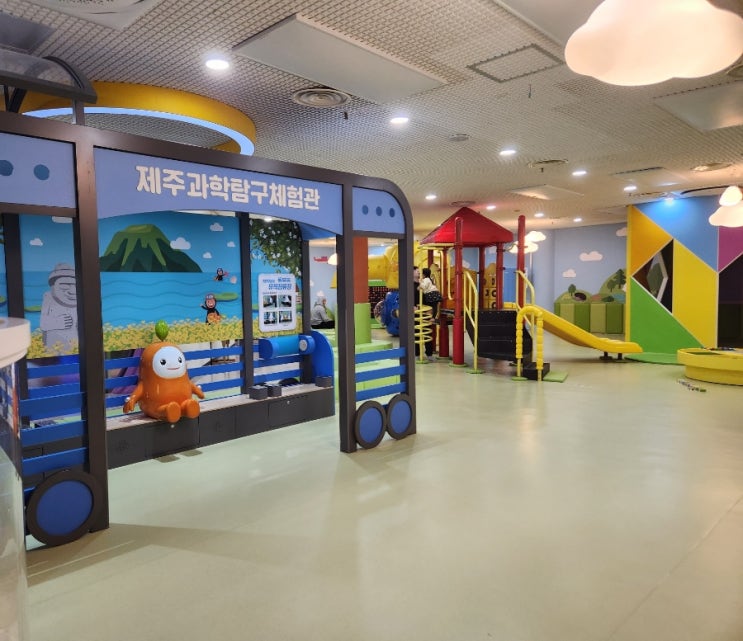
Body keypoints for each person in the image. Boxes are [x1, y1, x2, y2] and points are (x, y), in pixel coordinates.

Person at [40, 263, 78, 352]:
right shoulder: (48, 297)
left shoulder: (79, 300)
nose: (72, 291)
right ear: (53, 286)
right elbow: (43, 324)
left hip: (74, 344)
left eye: (75, 285)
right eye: (65, 285)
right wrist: (58, 322)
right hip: (54, 345)